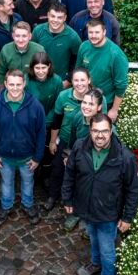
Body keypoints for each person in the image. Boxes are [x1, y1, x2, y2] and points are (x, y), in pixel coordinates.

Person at [62, 112, 138, 275]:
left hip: (108, 213)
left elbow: (133, 189)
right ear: (90, 131)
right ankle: (95, 263)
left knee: (108, 250)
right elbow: (70, 174)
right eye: (96, 131)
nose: (100, 135)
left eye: (104, 131)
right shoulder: (80, 147)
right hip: (86, 208)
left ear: (111, 130)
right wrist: (68, 199)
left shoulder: (125, 157)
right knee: (93, 237)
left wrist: (127, 217)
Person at [0, 70, 47, 226]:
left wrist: (37, 157)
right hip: (4, 157)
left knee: (28, 182)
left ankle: (28, 204)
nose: (14, 88)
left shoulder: (35, 106)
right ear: (5, 84)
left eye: (18, 84)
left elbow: (41, 133)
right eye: (11, 84)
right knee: (6, 182)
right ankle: (6, 205)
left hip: (27, 157)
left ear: (24, 84)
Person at [45, 71, 103, 222]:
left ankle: (79, 209)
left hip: (93, 148)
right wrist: (58, 145)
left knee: (83, 177)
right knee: (58, 168)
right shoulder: (65, 98)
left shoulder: (97, 98)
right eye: (75, 80)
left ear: (89, 80)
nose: (79, 83)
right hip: (69, 142)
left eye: (82, 80)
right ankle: (53, 196)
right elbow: (59, 122)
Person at [76, 19, 128, 122]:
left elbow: (121, 85)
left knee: (101, 134)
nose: (93, 35)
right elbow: (78, 71)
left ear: (104, 32)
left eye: (97, 32)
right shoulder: (84, 46)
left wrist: (114, 110)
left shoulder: (116, 54)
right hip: (85, 99)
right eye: (91, 32)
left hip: (105, 102)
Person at [32, 2, 81, 80]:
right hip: (39, 78)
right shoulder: (38, 31)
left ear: (65, 18)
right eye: (53, 16)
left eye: (59, 17)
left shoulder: (72, 36)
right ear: (48, 15)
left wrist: (68, 79)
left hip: (61, 80)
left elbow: (77, 59)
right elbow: (31, 53)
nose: (55, 20)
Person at [25, 52, 61, 118]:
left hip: (49, 121)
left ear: (49, 66)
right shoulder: (26, 80)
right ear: (32, 67)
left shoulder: (57, 81)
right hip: (29, 119)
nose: (40, 72)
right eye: (37, 68)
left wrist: (46, 122)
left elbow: (57, 105)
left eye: (43, 67)